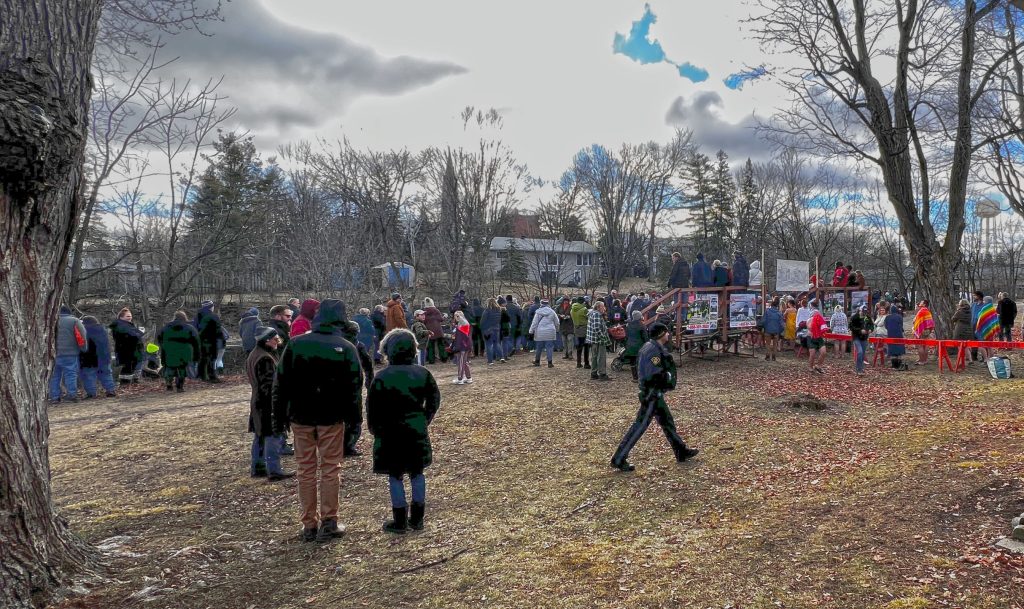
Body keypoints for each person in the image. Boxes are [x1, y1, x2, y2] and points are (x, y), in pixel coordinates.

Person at [271, 299, 363, 542]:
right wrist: (355, 420)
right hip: (331, 416)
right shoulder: (345, 346)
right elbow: (355, 388)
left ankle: (309, 524)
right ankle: (329, 521)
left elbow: (280, 384)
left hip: (300, 416)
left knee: (306, 469)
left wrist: (279, 417)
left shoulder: (296, 344)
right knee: (331, 468)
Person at [367, 328, 441, 533]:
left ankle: (399, 520)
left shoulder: (382, 377)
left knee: (395, 474)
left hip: (389, 431)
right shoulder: (422, 373)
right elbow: (434, 400)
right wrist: (424, 419)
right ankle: (417, 519)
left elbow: (372, 407)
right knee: (417, 473)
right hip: (415, 428)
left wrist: (375, 429)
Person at [610, 323, 699, 472]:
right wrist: (667, 377)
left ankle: (681, 451)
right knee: (639, 426)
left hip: (654, 393)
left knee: (667, 422)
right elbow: (653, 374)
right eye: (666, 332)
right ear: (661, 334)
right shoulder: (653, 351)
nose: (668, 335)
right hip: (652, 394)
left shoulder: (650, 347)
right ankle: (618, 458)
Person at [247, 326, 294, 481]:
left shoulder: (255, 354)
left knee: (260, 435)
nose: (278, 341)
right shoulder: (265, 358)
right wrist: (277, 403)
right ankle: (274, 470)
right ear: (267, 340)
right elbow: (268, 384)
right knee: (272, 435)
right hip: (267, 403)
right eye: (275, 339)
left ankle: (258, 467)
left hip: (258, 401)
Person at [342, 320, 375, 457]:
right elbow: (368, 365)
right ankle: (348, 446)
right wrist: (369, 382)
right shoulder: (357, 345)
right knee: (354, 418)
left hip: (335, 384)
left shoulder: (336, 344)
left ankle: (337, 444)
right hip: (353, 384)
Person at [50, 306, 88, 403]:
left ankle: (54, 397)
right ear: (69, 312)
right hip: (70, 353)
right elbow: (81, 336)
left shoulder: (50, 320)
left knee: (54, 376)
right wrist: (84, 348)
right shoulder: (74, 321)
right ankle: (71, 395)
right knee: (70, 374)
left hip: (53, 354)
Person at [156, 311, 200, 393]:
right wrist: (196, 355)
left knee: (169, 367)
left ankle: (169, 384)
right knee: (182, 369)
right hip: (184, 352)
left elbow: (159, 338)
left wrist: (164, 347)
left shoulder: (166, 327)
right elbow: (196, 342)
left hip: (169, 351)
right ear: (184, 318)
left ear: (174, 317)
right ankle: (180, 386)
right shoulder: (189, 328)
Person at [78, 315, 116, 399]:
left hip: (87, 358)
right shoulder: (103, 330)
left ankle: (91, 394)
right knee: (106, 374)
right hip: (103, 357)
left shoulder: (83, 331)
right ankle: (111, 390)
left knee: (89, 376)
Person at [110, 307, 144, 385]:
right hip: (126, 351)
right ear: (121, 317)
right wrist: (140, 333)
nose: (130, 317)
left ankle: (133, 382)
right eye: (128, 316)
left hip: (134, 350)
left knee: (134, 366)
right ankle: (125, 384)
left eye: (130, 316)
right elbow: (130, 337)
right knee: (127, 367)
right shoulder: (120, 326)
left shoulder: (128, 325)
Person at [195, 301, 223, 383]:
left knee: (203, 358)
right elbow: (218, 330)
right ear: (211, 307)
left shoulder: (197, 316)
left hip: (200, 340)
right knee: (212, 358)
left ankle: (201, 375)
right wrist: (221, 339)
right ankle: (212, 376)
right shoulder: (213, 316)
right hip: (211, 340)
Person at [529, 298, 558, 368]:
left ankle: (537, 361)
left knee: (539, 347)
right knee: (549, 347)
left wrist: (531, 331)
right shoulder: (552, 312)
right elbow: (557, 322)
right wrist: (556, 330)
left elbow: (534, 323)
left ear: (541, 304)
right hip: (550, 331)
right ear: (548, 304)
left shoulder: (538, 312)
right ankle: (550, 363)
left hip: (540, 332)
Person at [587, 301, 612, 380]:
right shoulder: (597, 314)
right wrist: (603, 338)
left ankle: (593, 373)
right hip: (598, 340)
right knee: (601, 357)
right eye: (602, 306)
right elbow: (597, 328)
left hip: (593, 339)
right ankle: (602, 374)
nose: (604, 308)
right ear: (598, 307)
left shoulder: (592, 313)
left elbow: (597, 327)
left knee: (594, 357)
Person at [623, 310, 649, 380]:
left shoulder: (628, 325)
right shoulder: (642, 325)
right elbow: (645, 337)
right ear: (640, 317)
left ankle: (635, 377)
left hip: (630, 346)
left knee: (632, 362)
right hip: (640, 346)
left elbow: (626, 336)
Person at [849, 305, 873, 376]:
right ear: (859, 311)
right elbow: (851, 326)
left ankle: (861, 368)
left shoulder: (867, 317)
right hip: (856, 337)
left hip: (864, 337)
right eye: (863, 312)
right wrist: (859, 331)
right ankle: (859, 369)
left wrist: (870, 329)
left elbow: (871, 325)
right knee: (859, 352)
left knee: (862, 353)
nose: (864, 313)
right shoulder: (854, 317)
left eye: (865, 312)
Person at [421, 298, 447, 365]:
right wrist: (444, 316)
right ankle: (444, 358)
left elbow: (423, 321)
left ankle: (431, 360)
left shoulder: (424, 312)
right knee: (441, 345)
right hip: (438, 330)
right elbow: (441, 319)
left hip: (429, 331)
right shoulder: (436, 311)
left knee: (430, 347)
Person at [451, 310, 473, 384]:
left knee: (461, 362)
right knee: (464, 362)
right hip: (464, 345)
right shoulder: (460, 324)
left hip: (463, 346)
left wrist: (459, 317)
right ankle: (468, 377)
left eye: (458, 315)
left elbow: (464, 323)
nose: (456, 317)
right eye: (455, 315)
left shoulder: (464, 323)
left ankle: (460, 379)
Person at [807, 299, 828, 374]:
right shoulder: (809, 320)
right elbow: (809, 327)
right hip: (811, 337)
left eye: (817, 313)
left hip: (819, 337)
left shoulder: (820, 319)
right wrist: (814, 322)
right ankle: (810, 367)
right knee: (812, 354)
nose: (817, 314)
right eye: (815, 313)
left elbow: (823, 327)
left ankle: (818, 366)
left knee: (823, 352)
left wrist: (821, 326)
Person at [480, 298, 503, 365]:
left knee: (488, 345)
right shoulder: (499, 310)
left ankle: (490, 361)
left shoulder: (487, 311)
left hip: (488, 330)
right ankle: (501, 357)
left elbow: (482, 321)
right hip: (496, 329)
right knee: (497, 343)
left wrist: (482, 327)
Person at [975, 296, 999, 360]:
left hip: (983, 330)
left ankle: (986, 359)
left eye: (984, 300)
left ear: (986, 301)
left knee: (981, 345)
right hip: (991, 330)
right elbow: (995, 321)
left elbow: (980, 317)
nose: (983, 302)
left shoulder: (985, 308)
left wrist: (978, 328)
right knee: (990, 346)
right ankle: (990, 359)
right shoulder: (993, 308)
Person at [912, 300, 935, 365]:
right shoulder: (928, 311)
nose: (920, 303)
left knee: (920, 346)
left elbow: (916, 321)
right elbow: (931, 322)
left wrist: (915, 327)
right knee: (926, 345)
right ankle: (924, 359)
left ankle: (922, 361)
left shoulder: (921, 311)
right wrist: (930, 330)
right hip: (927, 330)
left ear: (924, 304)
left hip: (921, 330)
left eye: (921, 302)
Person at [571, 296, 590, 369]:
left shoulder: (572, 309)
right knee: (586, 346)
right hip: (584, 328)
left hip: (576, 328)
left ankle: (578, 363)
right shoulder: (584, 309)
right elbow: (588, 317)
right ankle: (586, 363)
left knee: (579, 346)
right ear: (583, 301)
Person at [556, 295, 575, 360]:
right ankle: (565, 354)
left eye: (567, 300)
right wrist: (560, 316)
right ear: (563, 301)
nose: (566, 301)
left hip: (570, 326)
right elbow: (556, 314)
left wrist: (569, 317)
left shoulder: (571, 307)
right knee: (564, 341)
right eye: (565, 300)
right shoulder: (559, 307)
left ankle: (570, 354)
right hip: (562, 326)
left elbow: (574, 315)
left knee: (570, 340)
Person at [970, 291, 985, 362]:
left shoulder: (984, 305)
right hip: (972, 325)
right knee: (973, 341)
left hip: (981, 326)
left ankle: (984, 357)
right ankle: (974, 356)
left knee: (982, 341)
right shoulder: (973, 305)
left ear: (979, 296)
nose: (973, 297)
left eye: (975, 296)